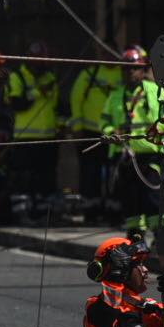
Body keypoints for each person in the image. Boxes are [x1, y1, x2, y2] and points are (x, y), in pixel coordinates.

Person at [100, 47, 164, 235]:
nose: (129, 72)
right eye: (125, 69)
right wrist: (112, 132)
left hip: (151, 154)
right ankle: (136, 237)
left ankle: (162, 235)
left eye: (133, 69)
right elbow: (104, 122)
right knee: (130, 200)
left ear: (142, 70)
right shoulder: (114, 96)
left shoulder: (155, 91)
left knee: (152, 198)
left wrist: (159, 128)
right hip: (126, 156)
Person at [4, 42, 61, 223]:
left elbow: (56, 106)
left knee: (45, 179)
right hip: (25, 137)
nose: (42, 67)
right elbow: (16, 104)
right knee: (23, 179)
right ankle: (22, 214)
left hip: (49, 137)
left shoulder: (50, 77)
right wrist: (37, 92)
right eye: (38, 63)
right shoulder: (18, 76)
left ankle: (44, 214)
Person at [67, 55, 125, 220]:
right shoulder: (89, 74)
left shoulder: (124, 74)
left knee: (115, 173)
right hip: (90, 131)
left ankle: (113, 212)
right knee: (89, 173)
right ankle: (91, 211)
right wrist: (77, 128)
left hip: (116, 133)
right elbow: (76, 98)